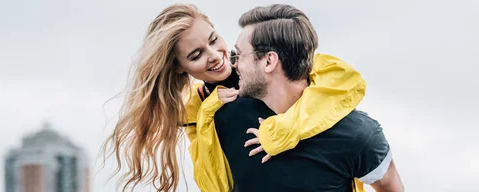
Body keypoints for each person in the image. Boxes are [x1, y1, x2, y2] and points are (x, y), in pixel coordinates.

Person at [102, 3, 367, 192]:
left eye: (213, 39)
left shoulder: (266, 59)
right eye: (196, 55)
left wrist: (285, 130)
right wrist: (209, 111)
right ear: (179, 68)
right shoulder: (198, 112)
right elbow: (215, 185)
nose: (215, 55)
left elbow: (345, 80)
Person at [213, 4, 405, 191]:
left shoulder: (358, 135)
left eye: (238, 55)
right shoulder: (228, 117)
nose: (234, 64)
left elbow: (391, 187)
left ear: (269, 61)